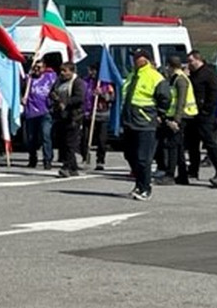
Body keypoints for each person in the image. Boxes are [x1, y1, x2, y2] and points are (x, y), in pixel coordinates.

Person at [121, 49, 171, 201]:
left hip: (145, 123)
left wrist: (160, 115)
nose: (135, 60)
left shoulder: (155, 77)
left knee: (144, 158)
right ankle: (138, 184)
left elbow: (165, 98)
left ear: (146, 60)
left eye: (137, 58)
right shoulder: (132, 75)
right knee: (130, 155)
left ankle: (145, 188)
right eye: (134, 58)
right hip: (130, 122)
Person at [156, 56, 196, 186]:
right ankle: (182, 175)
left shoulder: (180, 80)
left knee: (172, 146)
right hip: (175, 116)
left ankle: (170, 175)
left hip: (182, 117)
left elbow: (181, 101)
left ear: (170, 66)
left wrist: (176, 121)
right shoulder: (174, 79)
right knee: (178, 147)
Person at [184, 51, 217, 180]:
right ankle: (193, 170)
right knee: (192, 144)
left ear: (198, 60)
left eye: (191, 61)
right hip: (192, 114)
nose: (189, 64)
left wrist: (206, 110)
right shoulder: (192, 74)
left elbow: (214, 93)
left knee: (210, 143)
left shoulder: (209, 73)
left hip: (205, 116)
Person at [49, 62, 85, 178]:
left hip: (73, 117)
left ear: (72, 71)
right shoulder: (59, 81)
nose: (62, 73)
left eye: (65, 71)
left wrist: (66, 102)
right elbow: (52, 92)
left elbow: (79, 98)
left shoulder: (77, 82)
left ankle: (66, 167)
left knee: (70, 143)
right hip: (60, 116)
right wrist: (53, 96)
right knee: (63, 143)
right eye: (61, 70)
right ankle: (73, 168)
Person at [22, 60, 56, 169]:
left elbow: (56, 79)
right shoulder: (29, 79)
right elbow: (21, 89)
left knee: (46, 135)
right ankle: (32, 159)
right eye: (35, 67)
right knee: (31, 138)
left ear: (44, 68)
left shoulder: (49, 77)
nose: (37, 70)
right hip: (31, 112)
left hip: (45, 112)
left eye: (39, 67)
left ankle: (47, 160)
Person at [82, 64, 114, 171]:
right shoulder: (85, 81)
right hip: (88, 114)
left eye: (93, 70)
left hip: (102, 115)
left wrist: (102, 94)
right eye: (90, 70)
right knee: (85, 138)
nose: (91, 73)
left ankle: (100, 160)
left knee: (101, 140)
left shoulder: (106, 84)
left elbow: (111, 98)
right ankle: (85, 157)